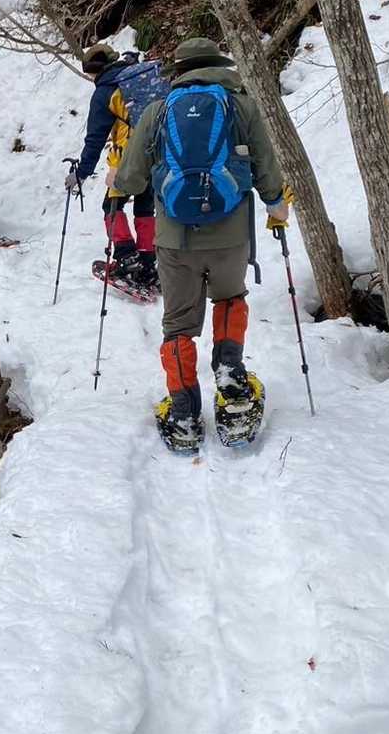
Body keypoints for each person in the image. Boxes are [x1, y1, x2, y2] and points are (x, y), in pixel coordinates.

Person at [114, 37, 290, 445]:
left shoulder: (158, 111)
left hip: (174, 238)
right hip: (230, 233)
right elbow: (266, 166)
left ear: (179, 71)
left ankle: (183, 415)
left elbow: (131, 179)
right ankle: (232, 384)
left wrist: (116, 180)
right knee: (229, 299)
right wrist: (276, 205)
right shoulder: (242, 106)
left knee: (178, 324)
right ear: (218, 66)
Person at [67, 44, 158, 292]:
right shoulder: (138, 77)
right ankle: (147, 262)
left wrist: (82, 172)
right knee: (145, 206)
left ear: (95, 70)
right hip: (157, 152)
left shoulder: (105, 91)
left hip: (128, 158)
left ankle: (127, 259)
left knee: (112, 206)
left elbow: (95, 138)